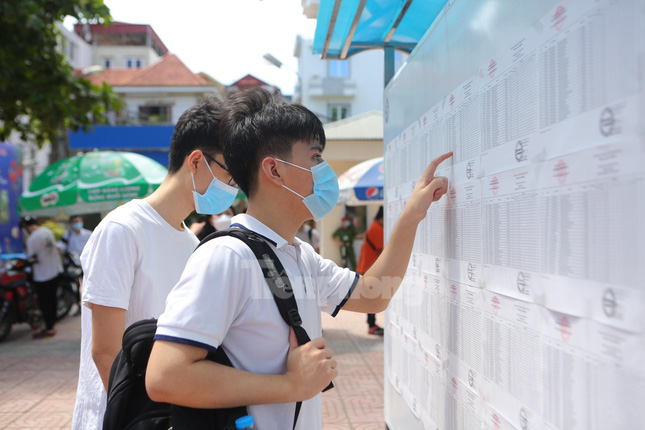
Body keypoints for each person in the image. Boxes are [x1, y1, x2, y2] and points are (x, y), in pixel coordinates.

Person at [145, 88, 452, 430]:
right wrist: (290, 386)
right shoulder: (227, 256)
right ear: (274, 170)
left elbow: (372, 294)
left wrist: (411, 216)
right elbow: (165, 375)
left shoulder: (298, 254)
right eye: (315, 157)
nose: (324, 170)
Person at [71, 98, 238, 430]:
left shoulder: (192, 245)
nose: (233, 188)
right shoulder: (123, 229)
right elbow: (106, 352)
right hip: (121, 418)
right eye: (231, 174)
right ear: (196, 161)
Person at [22, 216, 62, 338]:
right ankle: (52, 325)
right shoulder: (47, 231)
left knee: (45, 302)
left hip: (42, 275)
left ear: (26, 226)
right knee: (53, 299)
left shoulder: (32, 239)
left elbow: (31, 258)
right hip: (55, 270)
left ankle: (49, 327)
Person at [356, 206, 385, 335]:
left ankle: (372, 324)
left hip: (366, 267)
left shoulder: (373, 227)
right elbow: (383, 249)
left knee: (371, 296)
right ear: (382, 218)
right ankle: (372, 325)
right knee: (372, 297)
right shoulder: (376, 229)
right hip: (369, 268)